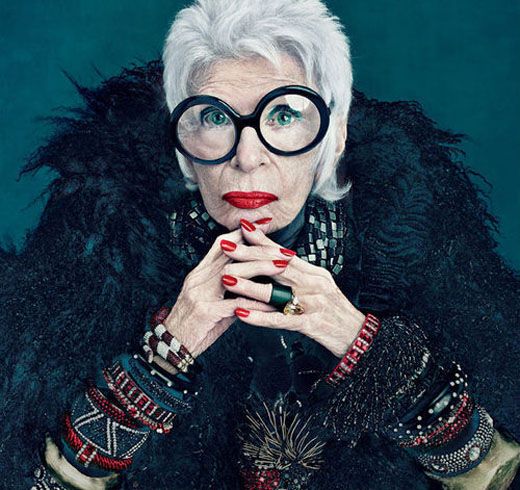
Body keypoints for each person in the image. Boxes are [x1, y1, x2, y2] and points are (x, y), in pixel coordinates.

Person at [0, 0, 519, 488]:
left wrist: (365, 345)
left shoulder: (422, 258)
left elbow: (496, 474)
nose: (247, 157)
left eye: (284, 115)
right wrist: (163, 353)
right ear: (182, 145)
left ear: (335, 135)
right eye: (215, 118)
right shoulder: (99, 264)